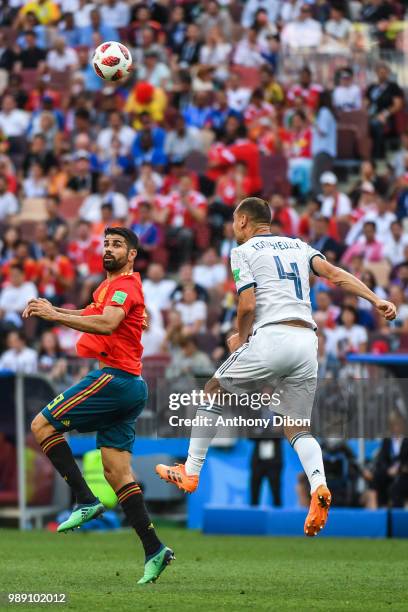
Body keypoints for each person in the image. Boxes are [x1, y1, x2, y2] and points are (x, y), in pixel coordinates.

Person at [156, 197, 396, 537]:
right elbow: (336, 275)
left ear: (242, 221)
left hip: (272, 336)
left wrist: (240, 338)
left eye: (234, 222)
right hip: (306, 341)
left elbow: (247, 303)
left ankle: (191, 471)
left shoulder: (243, 251)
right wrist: (376, 299)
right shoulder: (298, 246)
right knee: (297, 427)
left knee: (212, 391)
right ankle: (319, 486)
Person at [23, 227, 174, 584]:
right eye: (106, 243)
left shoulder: (124, 286)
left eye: (118, 244)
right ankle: (154, 549)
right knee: (118, 474)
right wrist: (51, 308)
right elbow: (89, 313)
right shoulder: (108, 288)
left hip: (115, 380)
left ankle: (85, 500)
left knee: (41, 426)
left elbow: (106, 323)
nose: (109, 248)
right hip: (131, 385)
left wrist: (54, 316)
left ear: (132, 254)